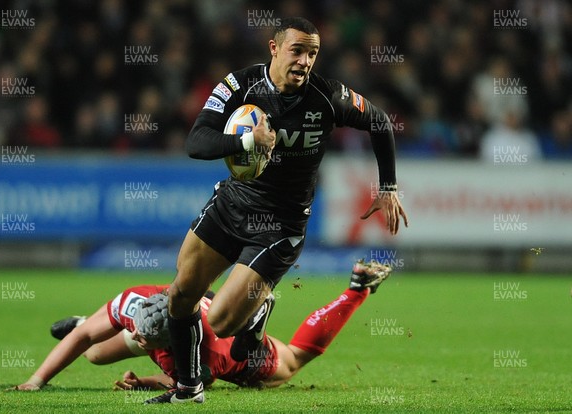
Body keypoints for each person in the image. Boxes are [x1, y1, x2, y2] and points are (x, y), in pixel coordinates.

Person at [166, 16, 408, 403]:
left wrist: (388, 187)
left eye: (313, 53)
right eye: (297, 50)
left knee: (222, 322)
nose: (305, 61)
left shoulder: (328, 96)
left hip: (281, 225)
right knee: (179, 296)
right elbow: (197, 141)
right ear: (274, 48)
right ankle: (188, 389)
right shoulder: (239, 84)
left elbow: (379, 122)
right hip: (232, 204)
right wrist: (247, 142)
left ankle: (257, 309)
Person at [10, 260, 391, 404]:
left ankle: (356, 288)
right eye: (138, 336)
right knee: (91, 349)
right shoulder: (134, 304)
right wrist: (36, 380)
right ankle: (86, 318)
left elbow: (191, 382)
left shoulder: (205, 355)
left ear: (168, 345)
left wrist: (145, 379)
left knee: (290, 363)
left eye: (145, 343)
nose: (139, 342)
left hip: (222, 347)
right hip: (190, 311)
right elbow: (85, 341)